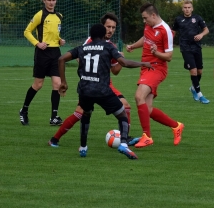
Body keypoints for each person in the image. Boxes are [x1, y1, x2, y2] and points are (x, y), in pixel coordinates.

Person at [58, 23, 152, 158]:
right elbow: (124, 63)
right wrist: (143, 64)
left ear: (91, 36)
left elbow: (61, 59)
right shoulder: (108, 47)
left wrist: (63, 82)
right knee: (122, 114)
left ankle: (83, 147)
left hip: (85, 91)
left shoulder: (82, 48)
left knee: (86, 115)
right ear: (103, 35)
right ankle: (124, 144)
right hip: (102, 90)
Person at [48, 13, 139, 147]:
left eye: (113, 27)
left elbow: (115, 71)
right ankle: (55, 139)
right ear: (102, 27)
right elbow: (79, 58)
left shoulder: (111, 45)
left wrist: (121, 60)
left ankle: (125, 139)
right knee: (80, 113)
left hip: (105, 84)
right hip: (89, 84)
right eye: (108, 27)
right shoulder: (91, 41)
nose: (111, 30)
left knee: (126, 106)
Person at [126, 2, 184, 148]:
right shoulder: (149, 26)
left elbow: (169, 56)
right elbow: (145, 38)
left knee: (139, 96)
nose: (144, 21)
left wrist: (155, 52)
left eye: (145, 18)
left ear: (153, 15)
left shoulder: (166, 31)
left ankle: (147, 136)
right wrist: (133, 45)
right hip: (145, 68)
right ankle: (176, 126)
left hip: (157, 68)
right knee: (148, 109)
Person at [19, 0, 65, 126]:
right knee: (38, 84)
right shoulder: (40, 15)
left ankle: (54, 117)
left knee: (57, 84)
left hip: (55, 53)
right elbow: (27, 31)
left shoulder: (59, 16)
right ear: (44, 1)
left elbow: (54, 34)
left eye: (53, 0)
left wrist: (60, 40)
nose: (51, 3)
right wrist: (37, 43)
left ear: (56, 0)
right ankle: (24, 110)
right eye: (49, 0)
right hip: (42, 54)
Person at [172, 0, 210, 103]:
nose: (187, 9)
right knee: (193, 70)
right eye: (185, 7)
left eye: (189, 7)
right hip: (185, 48)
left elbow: (206, 30)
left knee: (199, 71)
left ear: (192, 9)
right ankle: (200, 95)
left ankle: (193, 88)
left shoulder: (197, 18)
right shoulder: (178, 19)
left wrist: (201, 35)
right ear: (182, 9)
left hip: (196, 47)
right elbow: (173, 32)